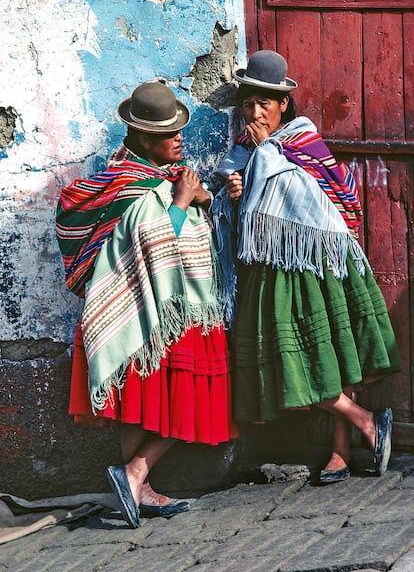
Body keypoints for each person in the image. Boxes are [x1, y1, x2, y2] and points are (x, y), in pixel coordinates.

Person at [212, 50, 401, 484]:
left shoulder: (302, 142)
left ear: (284, 105)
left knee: (331, 348)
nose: (255, 113)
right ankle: (366, 422)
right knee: (291, 354)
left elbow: (330, 200)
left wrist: (266, 157)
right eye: (248, 104)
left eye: (265, 103)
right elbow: (243, 218)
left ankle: (341, 451)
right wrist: (236, 196)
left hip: (316, 262)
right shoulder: (243, 153)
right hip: (269, 267)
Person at [56, 80, 237, 528]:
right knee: (166, 397)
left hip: (165, 307)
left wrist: (203, 197)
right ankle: (137, 475)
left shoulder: (156, 179)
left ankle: (137, 481)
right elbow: (154, 241)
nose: (179, 137)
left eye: (178, 129)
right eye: (168, 133)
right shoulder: (129, 185)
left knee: (149, 397)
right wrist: (180, 202)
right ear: (142, 138)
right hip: (140, 306)